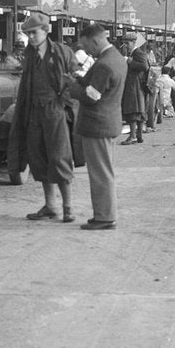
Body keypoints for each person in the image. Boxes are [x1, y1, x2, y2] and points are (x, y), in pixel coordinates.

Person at [7, 12, 77, 223]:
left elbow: (76, 78)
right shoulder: (29, 55)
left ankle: (68, 207)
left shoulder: (62, 52)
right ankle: (50, 206)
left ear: (46, 31)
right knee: (38, 158)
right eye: (28, 34)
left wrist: (64, 101)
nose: (31, 37)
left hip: (55, 112)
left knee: (59, 158)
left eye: (34, 33)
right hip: (34, 113)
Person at [63, 22, 125, 231]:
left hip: (98, 125)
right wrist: (81, 79)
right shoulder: (115, 58)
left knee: (100, 173)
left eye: (86, 45)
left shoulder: (104, 64)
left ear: (96, 40)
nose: (85, 50)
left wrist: (71, 87)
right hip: (108, 122)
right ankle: (103, 213)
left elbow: (92, 96)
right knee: (103, 171)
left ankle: (105, 217)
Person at [120, 45, 148, 144]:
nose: (125, 46)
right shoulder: (134, 53)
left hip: (134, 86)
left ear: (133, 42)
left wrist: (130, 61)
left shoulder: (138, 53)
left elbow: (144, 66)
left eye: (127, 43)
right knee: (139, 111)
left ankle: (133, 136)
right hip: (135, 85)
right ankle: (139, 136)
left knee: (133, 109)